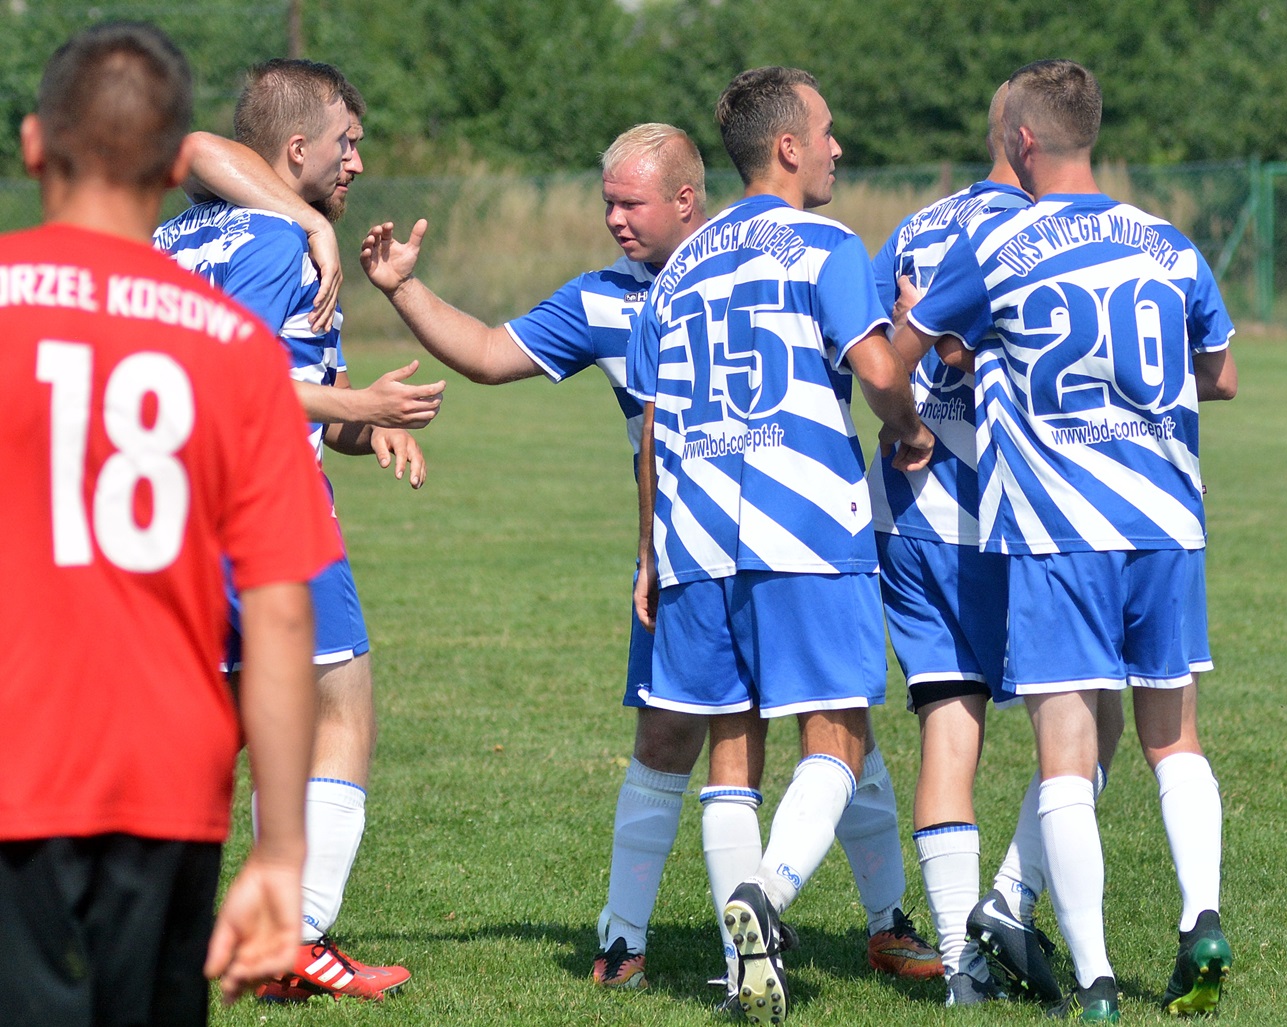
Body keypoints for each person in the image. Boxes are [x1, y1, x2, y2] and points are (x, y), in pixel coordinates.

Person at [359, 122, 940, 996]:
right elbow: (485, 353)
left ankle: (879, 919)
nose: (614, 221)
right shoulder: (608, 299)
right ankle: (633, 938)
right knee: (690, 734)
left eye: (630, 204)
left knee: (832, 728)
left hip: (722, 539)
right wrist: (404, 292)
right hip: (689, 546)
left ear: (685, 199)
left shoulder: (749, 265)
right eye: (606, 205)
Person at [0, 22, 343, 1025]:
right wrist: (279, 851)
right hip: (168, 779)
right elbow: (281, 614)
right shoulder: (236, 348)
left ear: (33, 145)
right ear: (170, 166)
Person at [893, 58, 1236, 1021]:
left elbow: (921, 349)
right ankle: (1199, 915)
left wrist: (947, 337)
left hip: (1056, 528)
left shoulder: (1000, 247)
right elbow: (1221, 374)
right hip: (1167, 523)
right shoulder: (1168, 243)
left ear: (1023, 142)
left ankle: (1093, 980)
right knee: (1176, 736)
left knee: (1065, 753)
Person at [626, 67, 934, 1025]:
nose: (838, 148)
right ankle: (767, 895)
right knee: (836, 732)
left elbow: (649, 426)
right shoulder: (827, 244)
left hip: (692, 531)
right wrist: (913, 396)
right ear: (789, 148)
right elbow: (880, 376)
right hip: (802, 520)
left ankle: (742, 961)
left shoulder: (676, 269)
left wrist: (647, 550)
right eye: (829, 132)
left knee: (732, 744)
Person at [154, 59, 443, 1002]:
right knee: (341, 707)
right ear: (295, 149)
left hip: (172, 517)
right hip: (264, 509)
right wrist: (356, 399)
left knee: (218, 728)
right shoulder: (284, 238)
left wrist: (364, 427)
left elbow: (286, 393)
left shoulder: (176, 233)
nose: (358, 161)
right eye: (347, 143)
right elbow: (236, 388)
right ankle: (297, 931)